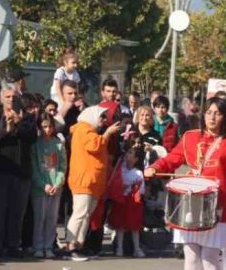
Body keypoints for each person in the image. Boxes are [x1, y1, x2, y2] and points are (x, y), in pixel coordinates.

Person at [146, 98, 226, 270]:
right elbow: (172, 159)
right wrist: (155, 167)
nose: (212, 117)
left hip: (216, 204)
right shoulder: (190, 137)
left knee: (210, 255)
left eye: (217, 113)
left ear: (225, 117)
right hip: (190, 202)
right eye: (209, 112)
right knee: (190, 254)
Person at [0, 90, 38, 258]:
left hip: (20, 171)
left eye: (14, 97)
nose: (11, 99)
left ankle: (13, 245)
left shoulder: (26, 117)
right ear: (1, 98)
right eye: (7, 96)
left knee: (17, 210)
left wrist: (20, 122)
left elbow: (32, 138)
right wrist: (6, 130)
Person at [65, 106, 119, 261]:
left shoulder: (91, 131)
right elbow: (94, 146)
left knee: (86, 215)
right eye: (101, 117)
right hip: (84, 180)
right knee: (80, 214)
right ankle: (71, 245)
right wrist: (107, 134)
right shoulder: (83, 129)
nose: (103, 121)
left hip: (92, 182)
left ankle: (78, 244)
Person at [31, 115, 66, 258]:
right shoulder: (35, 145)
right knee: (40, 218)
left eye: (50, 126)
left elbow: (62, 166)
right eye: (44, 126)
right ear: (39, 127)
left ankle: (48, 245)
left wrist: (58, 183)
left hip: (55, 187)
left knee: (52, 219)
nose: (48, 129)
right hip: (40, 188)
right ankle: (38, 246)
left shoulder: (58, 144)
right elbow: (34, 168)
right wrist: (43, 185)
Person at [107, 145, 145, 257]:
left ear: (136, 159)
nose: (127, 155)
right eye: (127, 153)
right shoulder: (120, 169)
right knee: (120, 226)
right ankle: (119, 248)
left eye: (131, 153)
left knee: (134, 226)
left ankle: (137, 248)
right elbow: (115, 181)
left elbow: (141, 189)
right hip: (120, 199)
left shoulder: (138, 173)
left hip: (132, 201)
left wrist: (132, 187)